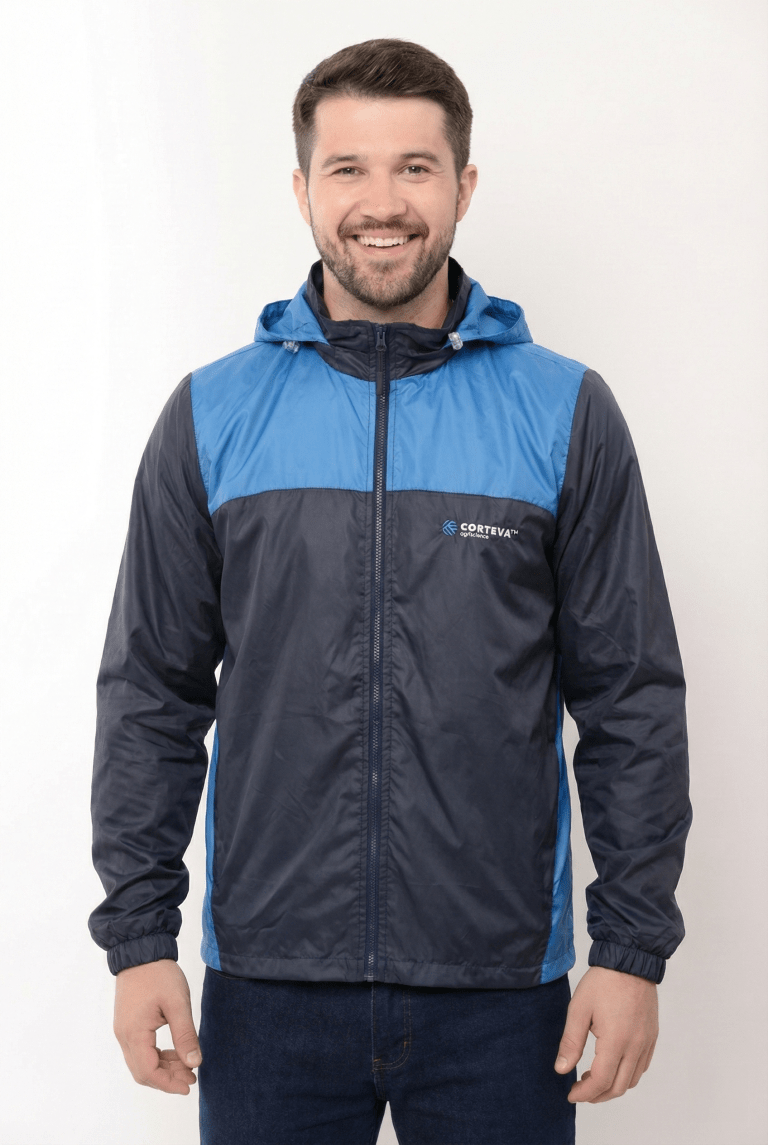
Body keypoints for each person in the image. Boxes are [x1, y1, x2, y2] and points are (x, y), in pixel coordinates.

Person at [89, 38, 691, 1145]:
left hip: (502, 993)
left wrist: (631, 949)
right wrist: (138, 940)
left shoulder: (564, 411)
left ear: (463, 185)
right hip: (268, 988)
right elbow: (151, 695)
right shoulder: (213, 415)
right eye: (348, 168)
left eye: (415, 167)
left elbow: (632, 696)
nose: (381, 203)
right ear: (302, 189)